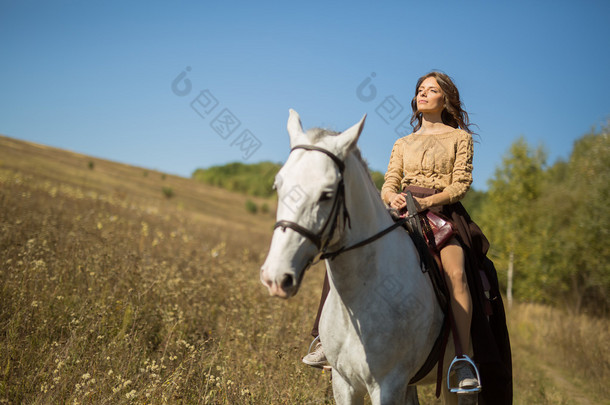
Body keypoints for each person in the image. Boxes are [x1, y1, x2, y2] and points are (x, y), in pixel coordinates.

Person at [303, 71, 512, 404]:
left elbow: (460, 185)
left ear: (446, 99)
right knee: (347, 251)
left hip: (442, 215)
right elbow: (390, 182)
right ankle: (324, 342)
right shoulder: (403, 142)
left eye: (431, 90)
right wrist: (391, 197)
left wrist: (429, 201)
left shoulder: (460, 139)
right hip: (402, 211)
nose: (423, 94)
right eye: (420, 90)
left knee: (457, 274)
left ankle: (462, 359)